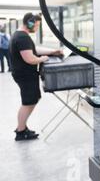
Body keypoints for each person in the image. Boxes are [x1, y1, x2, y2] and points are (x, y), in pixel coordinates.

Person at [10, 13, 63, 141]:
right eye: (37, 25)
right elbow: (30, 58)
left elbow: (33, 50)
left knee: (32, 100)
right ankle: (21, 131)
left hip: (24, 74)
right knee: (28, 102)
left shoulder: (20, 35)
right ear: (30, 22)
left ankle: (22, 127)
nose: (37, 27)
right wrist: (43, 58)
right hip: (25, 75)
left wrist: (51, 52)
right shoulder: (22, 37)